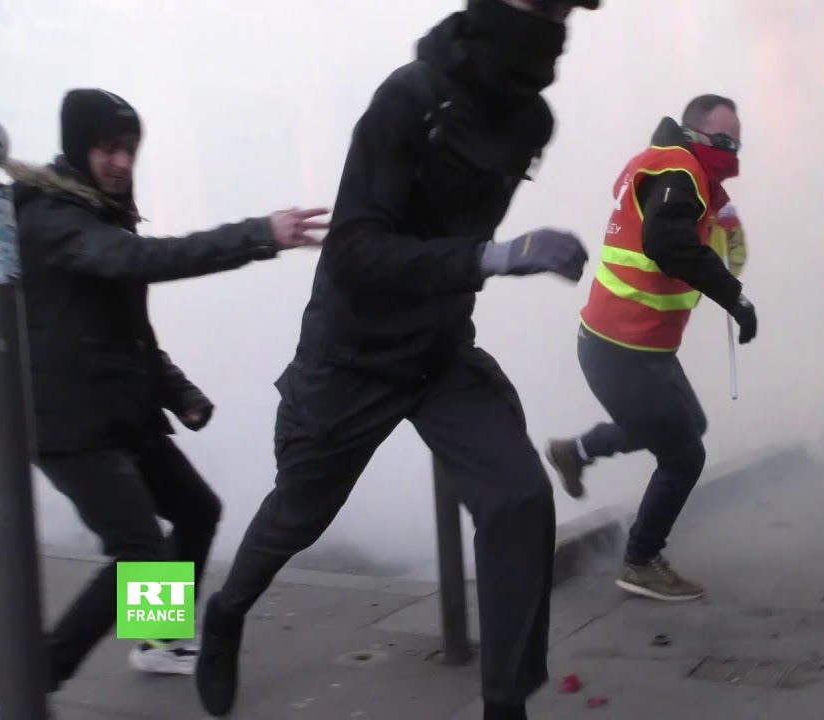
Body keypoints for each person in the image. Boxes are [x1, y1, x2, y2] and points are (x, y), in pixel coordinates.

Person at [192, 2, 598, 719]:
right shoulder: (408, 99)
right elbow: (141, 259)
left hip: (435, 350)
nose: (555, 22)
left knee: (519, 500)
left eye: (566, 7)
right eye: (108, 150)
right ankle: (197, 622)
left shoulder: (524, 119)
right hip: (335, 365)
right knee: (212, 524)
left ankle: (505, 704)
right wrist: (493, 256)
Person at [0, 88, 327, 720]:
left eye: (129, 149)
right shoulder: (54, 219)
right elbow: (145, 261)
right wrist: (258, 235)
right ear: (80, 146)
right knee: (138, 552)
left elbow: (126, 329)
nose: (120, 162)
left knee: (196, 510)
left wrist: (176, 393)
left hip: (117, 411)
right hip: (67, 422)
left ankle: (156, 639)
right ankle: (26, 691)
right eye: (107, 148)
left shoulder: (101, 212)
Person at [544, 94, 758, 603]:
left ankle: (575, 451)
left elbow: (677, 235)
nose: (733, 153)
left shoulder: (680, 171)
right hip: (619, 349)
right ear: (698, 136)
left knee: (686, 427)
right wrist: (735, 297)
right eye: (726, 142)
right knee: (684, 454)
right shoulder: (679, 172)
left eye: (738, 142)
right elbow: (666, 243)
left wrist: (718, 226)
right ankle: (640, 561)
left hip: (639, 345)